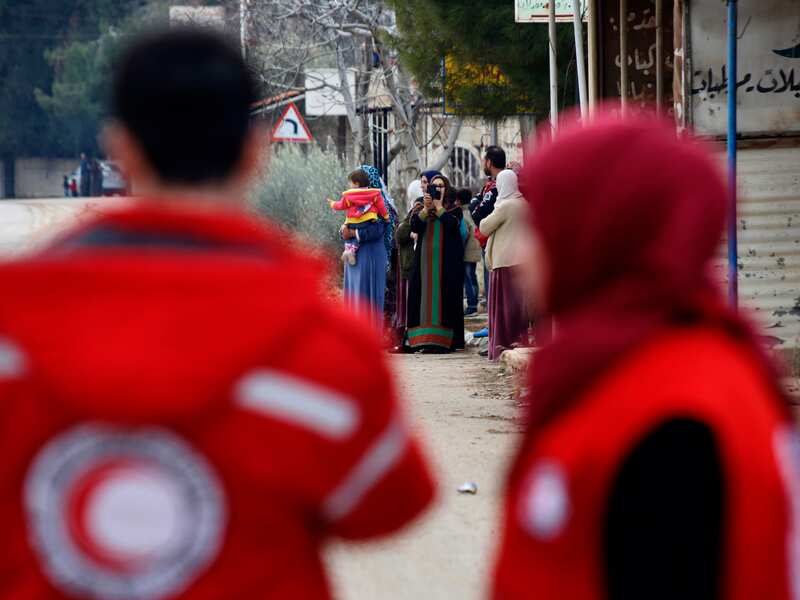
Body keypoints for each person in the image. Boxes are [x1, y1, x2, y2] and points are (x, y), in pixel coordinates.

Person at [0, 29, 434, 600]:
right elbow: (386, 508)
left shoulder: (13, 337)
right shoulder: (327, 345)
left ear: (121, 151)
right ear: (255, 154)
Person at [493, 114, 800, 599]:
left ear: (603, 234)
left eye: (546, 227)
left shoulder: (674, 418)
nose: (526, 255)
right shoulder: (631, 365)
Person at [406, 173, 465, 353]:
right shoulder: (422, 207)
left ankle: (444, 342)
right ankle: (423, 340)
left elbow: (452, 226)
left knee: (445, 298)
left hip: (445, 265)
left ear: (446, 188)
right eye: (434, 186)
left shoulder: (453, 209)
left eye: (440, 186)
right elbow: (414, 226)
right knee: (422, 298)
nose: (437, 189)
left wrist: (439, 207)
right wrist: (426, 209)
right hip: (424, 264)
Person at [478, 169, 529, 360]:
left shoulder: (505, 206)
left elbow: (484, 227)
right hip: (522, 262)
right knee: (517, 308)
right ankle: (518, 342)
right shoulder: (524, 204)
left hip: (504, 263)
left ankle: (501, 346)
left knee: (503, 310)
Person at [328, 168, 388, 266]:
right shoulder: (373, 196)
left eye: (351, 183)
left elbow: (377, 230)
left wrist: (352, 233)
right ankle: (350, 250)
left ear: (357, 183)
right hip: (358, 257)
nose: (349, 186)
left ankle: (349, 250)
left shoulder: (352, 196)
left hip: (369, 257)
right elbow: (383, 211)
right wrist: (343, 230)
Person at [470, 145, 506, 307]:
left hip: (494, 242)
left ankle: (494, 325)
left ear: (489, 162)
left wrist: (475, 204)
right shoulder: (491, 184)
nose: (483, 164)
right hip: (493, 241)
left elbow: (478, 214)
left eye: (484, 161)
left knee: (493, 285)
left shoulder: (496, 187)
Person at [457, 188, 481, 316]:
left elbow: (463, 234)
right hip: (475, 249)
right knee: (472, 277)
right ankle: (474, 303)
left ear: (459, 201)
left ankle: (472, 306)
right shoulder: (471, 212)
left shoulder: (463, 214)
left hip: (467, 251)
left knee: (468, 279)